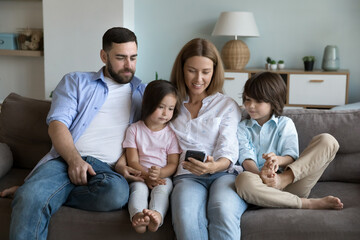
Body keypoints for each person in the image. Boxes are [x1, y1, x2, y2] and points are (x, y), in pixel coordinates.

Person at [7, 27, 146, 240]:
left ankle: (41, 191)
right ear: (103, 56)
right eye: (121, 58)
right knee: (31, 198)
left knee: (116, 194)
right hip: (64, 160)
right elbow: (57, 124)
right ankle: (35, 192)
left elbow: (142, 135)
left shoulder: (143, 93)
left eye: (133, 58)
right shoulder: (76, 82)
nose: (129, 65)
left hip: (107, 170)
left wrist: (121, 163)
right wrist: (74, 161)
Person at [169, 38, 248, 240]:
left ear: (214, 72)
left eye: (206, 71)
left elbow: (228, 146)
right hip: (187, 175)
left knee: (222, 208)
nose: (199, 78)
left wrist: (214, 166)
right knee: (186, 215)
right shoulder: (169, 104)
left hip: (223, 173)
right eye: (192, 70)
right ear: (181, 69)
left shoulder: (226, 105)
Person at [235, 71, 343, 210]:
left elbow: (291, 157)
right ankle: (306, 203)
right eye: (247, 99)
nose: (250, 105)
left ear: (273, 102)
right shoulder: (241, 128)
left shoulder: (285, 123)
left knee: (328, 141)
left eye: (258, 101)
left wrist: (277, 162)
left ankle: (282, 181)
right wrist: (261, 175)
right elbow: (246, 157)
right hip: (260, 186)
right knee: (243, 180)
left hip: (290, 183)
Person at [123, 79, 181, 233]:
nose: (165, 113)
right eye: (161, 107)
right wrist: (146, 175)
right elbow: (132, 160)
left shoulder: (171, 134)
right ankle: (138, 216)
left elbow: (173, 163)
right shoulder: (134, 130)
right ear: (148, 104)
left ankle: (157, 215)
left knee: (163, 190)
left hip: (163, 176)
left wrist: (160, 174)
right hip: (140, 174)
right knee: (138, 189)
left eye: (170, 108)